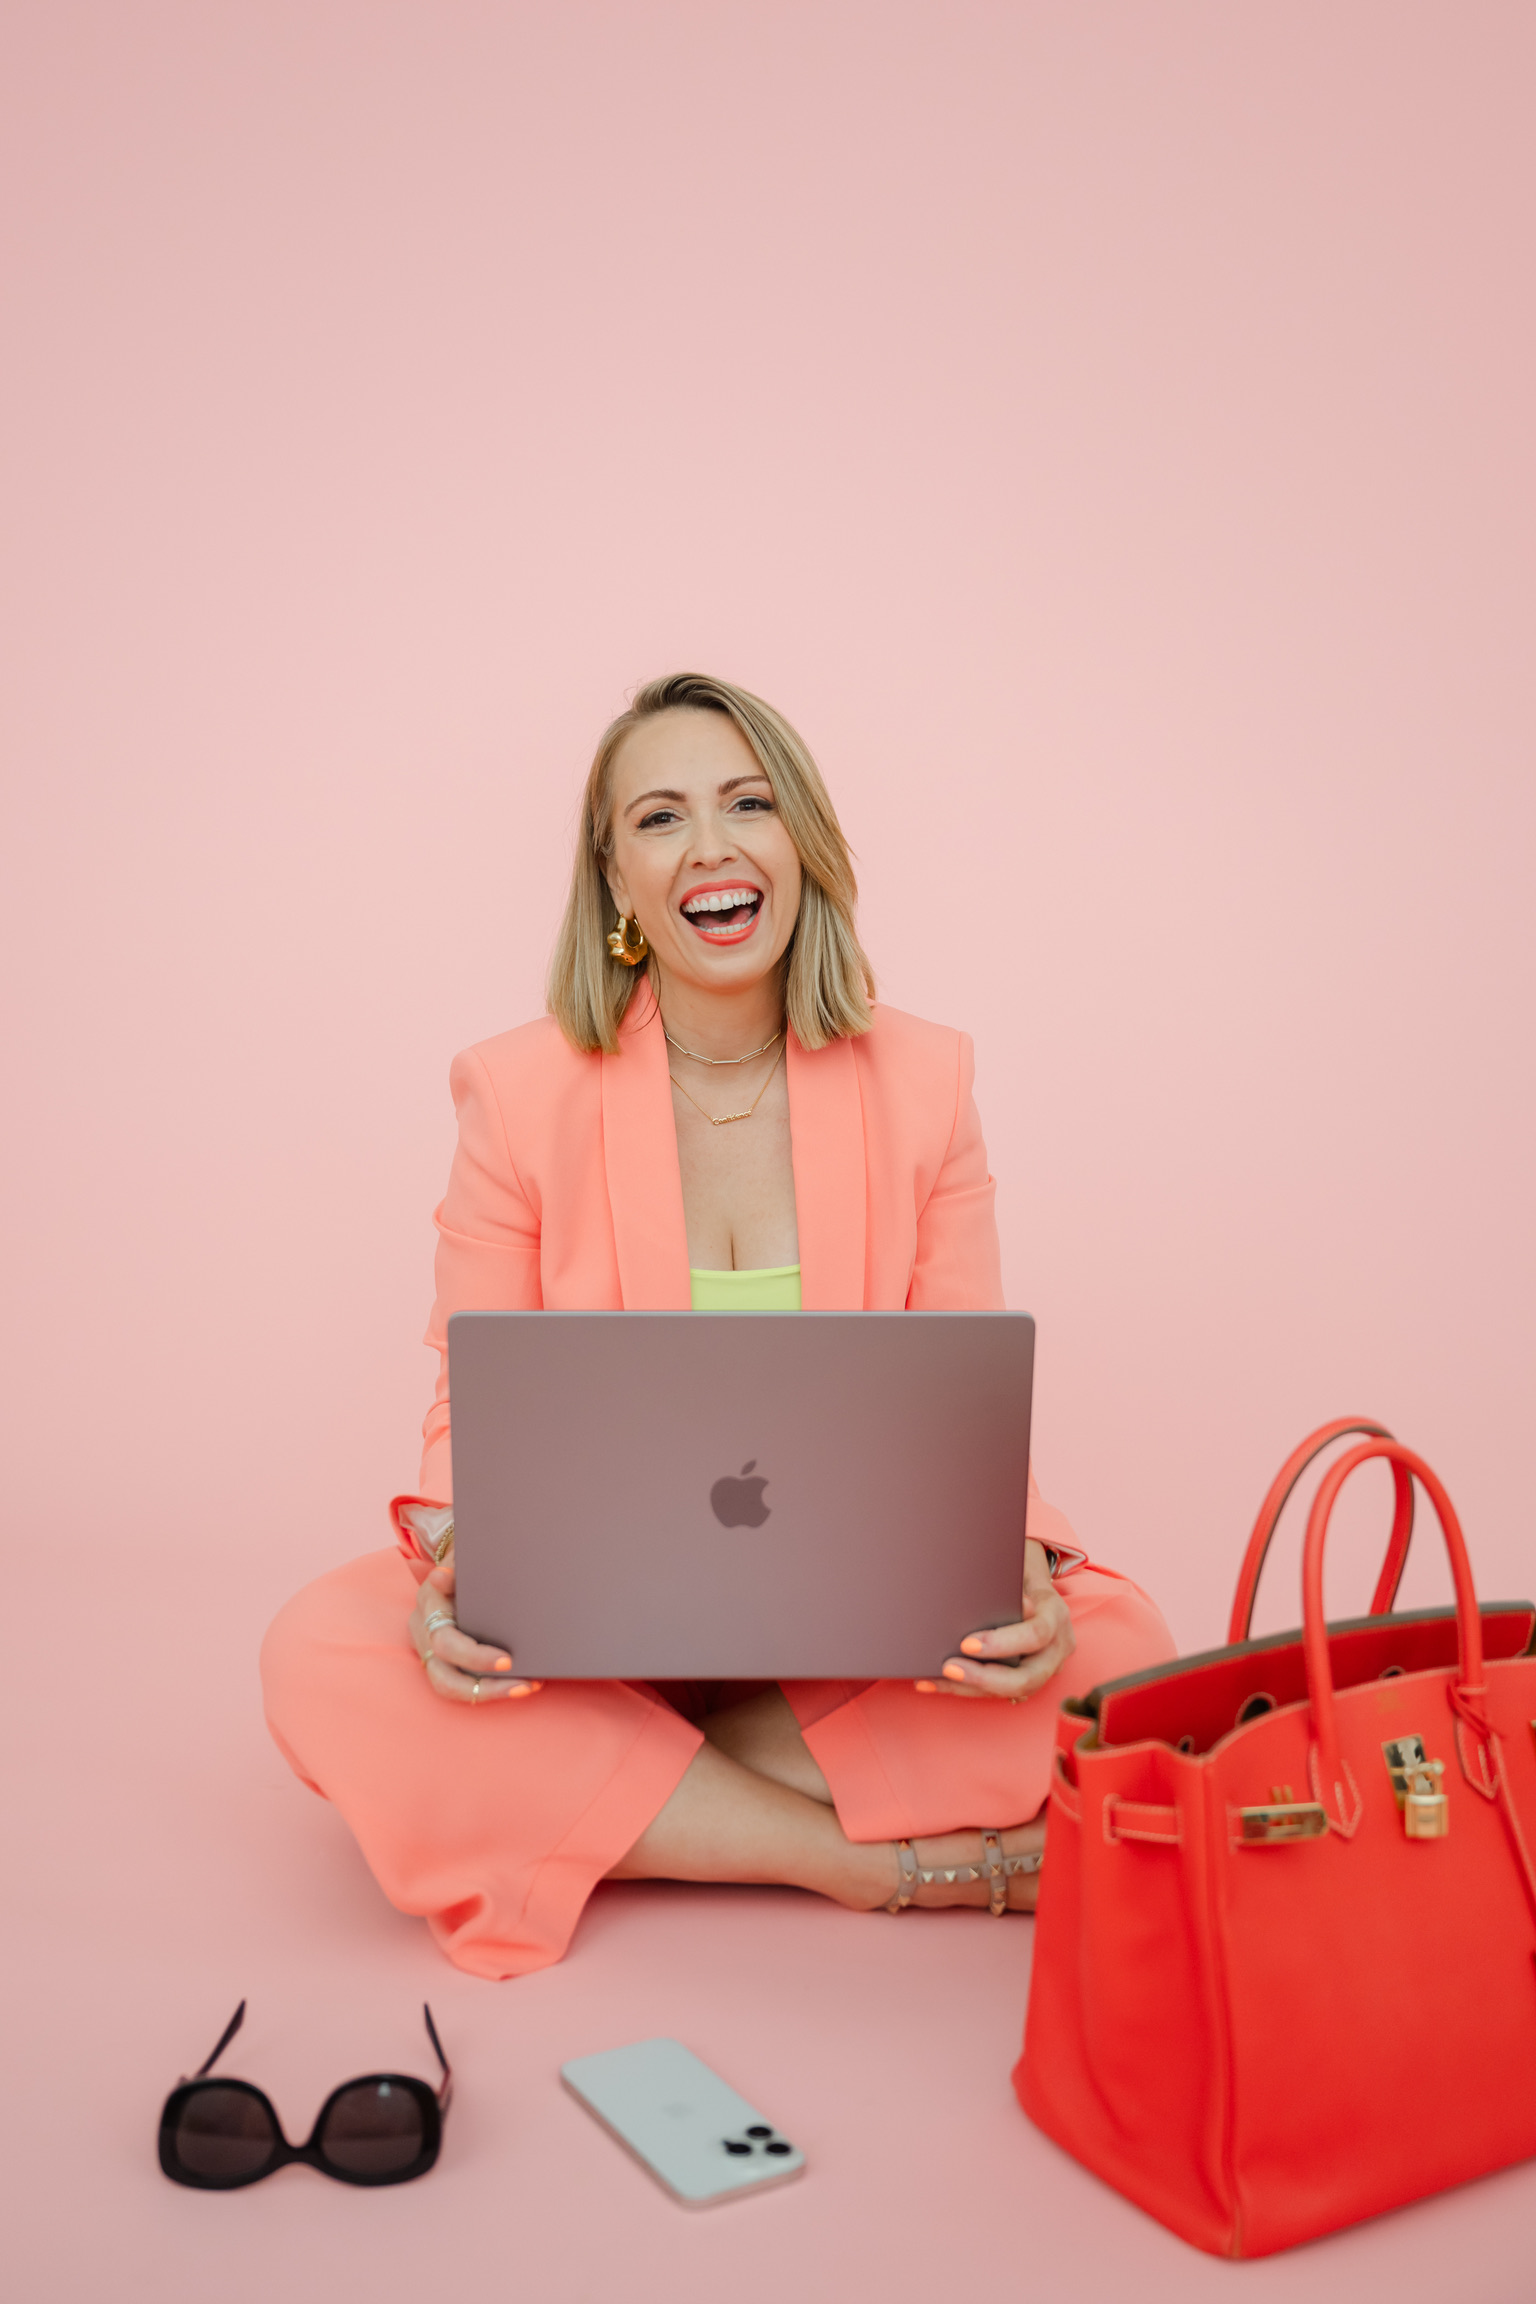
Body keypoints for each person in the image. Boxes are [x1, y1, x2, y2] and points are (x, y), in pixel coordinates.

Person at [261, 672, 1174, 1979]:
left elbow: (962, 1394)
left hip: (850, 1621)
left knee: (1121, 1659)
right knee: (321, 1656)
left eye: (750, 803)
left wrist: (1018, 1559)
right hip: (590, 1631)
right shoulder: (515, 1095)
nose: (712, 847)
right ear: (616, 878)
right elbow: (471, 1395)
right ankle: (863, 1864)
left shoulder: (928, 1082)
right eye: (661, 818)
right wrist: (467, 1561)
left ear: (801, 842)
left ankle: (618, 1794)